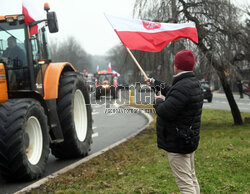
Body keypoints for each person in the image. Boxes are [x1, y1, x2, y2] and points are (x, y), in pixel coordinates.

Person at [146, 49, 203, 194]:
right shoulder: (191, 83)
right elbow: (174, 92)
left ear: (177, 65)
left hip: (178, 144)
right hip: (187, 140)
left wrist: (158, 101)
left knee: (186, 185)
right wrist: (155, 83)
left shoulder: (183, 86)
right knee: (191, 178)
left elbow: (165, 111)